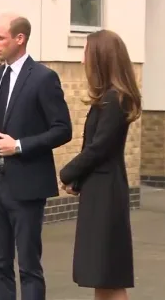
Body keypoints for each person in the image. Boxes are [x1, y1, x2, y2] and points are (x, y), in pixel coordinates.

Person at [0, 13, 72, 300]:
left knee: (28, 265)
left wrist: (20, 146)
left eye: (0, 38)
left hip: (26, 186)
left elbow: (63, 129)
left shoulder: (43, 78)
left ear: (19, 39)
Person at [59, 29, 141, 300]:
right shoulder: (108, 97)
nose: (83, 61)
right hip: (98, 189)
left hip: (106, 194)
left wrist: (68, 172)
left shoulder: (115, 100)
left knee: (109, 274)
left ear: (101, 58)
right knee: (100, 275)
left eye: (86, 53)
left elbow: (99, 148)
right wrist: (78, 181)